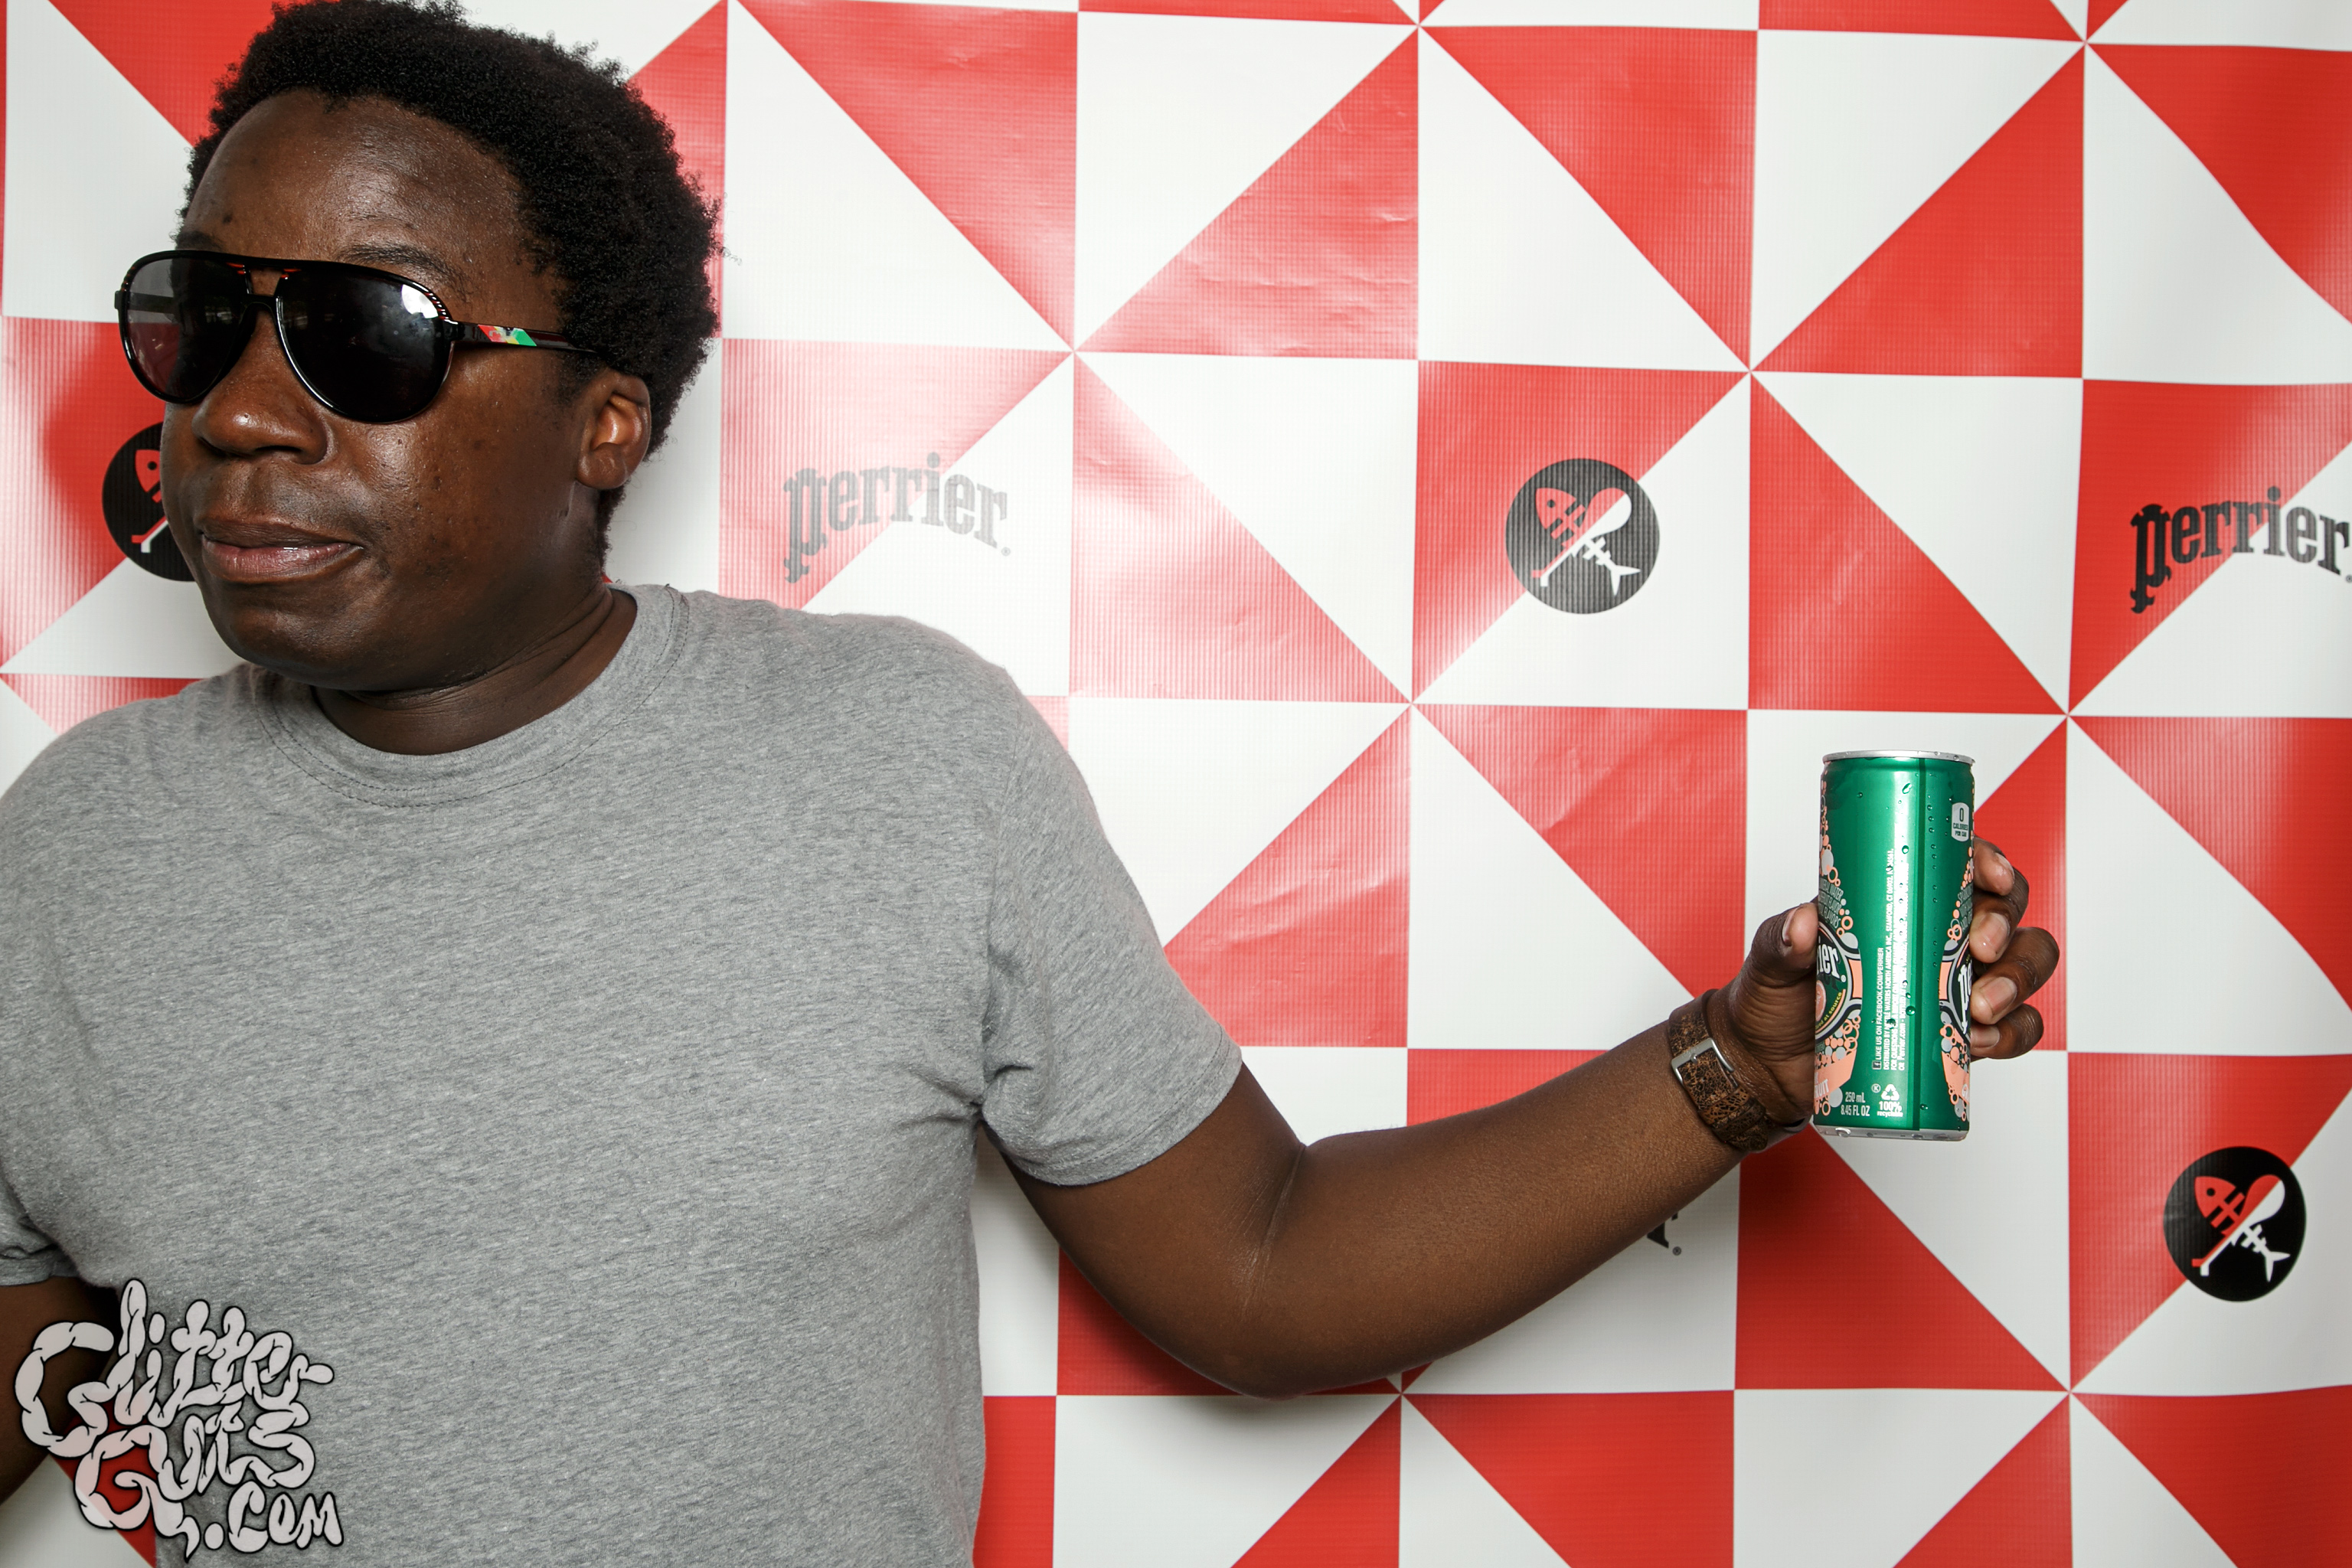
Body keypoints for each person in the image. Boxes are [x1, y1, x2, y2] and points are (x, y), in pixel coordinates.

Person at [0, 3, 2058, 1563]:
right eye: (209, 321)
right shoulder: (69, 862)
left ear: (607, 420)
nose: (241, 417)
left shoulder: (893, 759)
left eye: (364, 335)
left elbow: (1262, 1268)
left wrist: (1736, 1067)